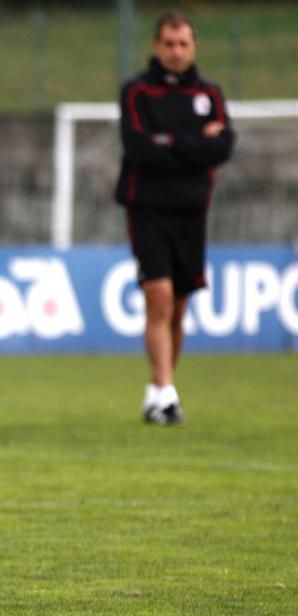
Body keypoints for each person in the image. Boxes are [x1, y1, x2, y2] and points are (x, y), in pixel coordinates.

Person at [115, 10, 235, 425]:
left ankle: (158, 390)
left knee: (179, 309)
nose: (176, 51)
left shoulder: (210, 94)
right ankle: (166, 394)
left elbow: (223, 148)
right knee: (159, 297)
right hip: (147, 208)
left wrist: (168, 145)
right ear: (156, 45)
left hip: (192, 211)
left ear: (194, 47)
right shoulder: (136, 92)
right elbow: (138, 148)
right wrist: (194, 145)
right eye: (168, 43)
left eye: (183, 44)